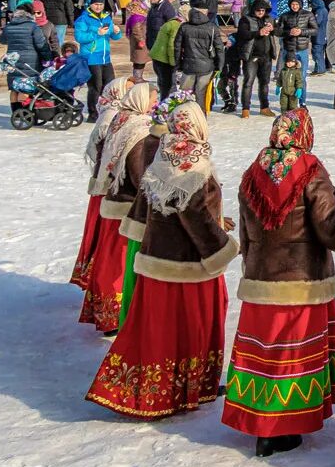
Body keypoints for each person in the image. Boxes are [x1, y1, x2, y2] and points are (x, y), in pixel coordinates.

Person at [86, 100, 235, 419]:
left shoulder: (164, 153)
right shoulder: (191, 159)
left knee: (158, 329)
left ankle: (153, 389)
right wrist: (220, 247)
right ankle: (177, 391)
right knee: (187, 327)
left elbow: (145, 206)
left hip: (156, 259)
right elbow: (193, 211)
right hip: (187, 264)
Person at [222, 109, 335, 457]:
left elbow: (244, 227)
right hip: (302, 280)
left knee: (264, 353)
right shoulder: (310, 170)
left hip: (261, 279)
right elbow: (328, 227)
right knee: (293, 354)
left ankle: (262, 425)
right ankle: (286, 424)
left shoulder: (254, 170)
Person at [82, 81, 159, 334]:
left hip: (112, 198)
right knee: (122, 262)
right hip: (128, 205)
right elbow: (138, 170)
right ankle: (117, 315)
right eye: (153, 99)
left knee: (111, 259)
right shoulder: (139, 130)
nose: (155, 104)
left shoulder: (121, 119)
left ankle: (107, 314)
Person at [75, 78, 130, 292]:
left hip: (106, 185)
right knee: (109, 243)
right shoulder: (111, 116)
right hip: (108, 187)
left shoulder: (114, 113)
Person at [73, 0, 124, 121]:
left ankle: (107, 111)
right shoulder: (83, 19)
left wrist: (117, 32)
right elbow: (80, 38)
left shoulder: (106, 17)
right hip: (91, 56)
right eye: (96, 4)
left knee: (110, 85)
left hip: (105, 57)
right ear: (91, 4)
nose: (98, 7)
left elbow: (114, 36)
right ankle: (93, 113)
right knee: (96, 86)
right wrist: (96, 33)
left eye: (101, 5)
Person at [235, 0, 279, 118]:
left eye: (263, 10)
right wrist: (258, 33)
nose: (260, 12)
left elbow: (279, 32)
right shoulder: (245, 19)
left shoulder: (269, 19)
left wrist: (272, 29)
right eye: (258, 10)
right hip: (251, 56)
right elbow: (243, 34)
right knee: (248, 82)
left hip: (266, 56)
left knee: (264, 82)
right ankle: (245, 109)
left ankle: (264, 107)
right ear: (253, 10)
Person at [174, 5, 220, 113]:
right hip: (207, 66)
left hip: (188, 65)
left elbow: (177, 47)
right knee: (201, 93)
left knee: (185, 93)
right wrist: (219, 65)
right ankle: (201, 117)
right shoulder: (212, 27)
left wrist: (178, 64)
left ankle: (183, 116)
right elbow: (219, 48)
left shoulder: (184, 27)